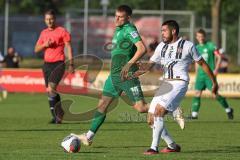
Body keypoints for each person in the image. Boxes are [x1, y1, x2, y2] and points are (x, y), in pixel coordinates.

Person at [69, 5, 184, 146]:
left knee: (141, 108)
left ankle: (171, 109)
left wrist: (129, 64)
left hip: (127, 75)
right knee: (102, 105)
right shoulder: (119, 29)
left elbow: (142, 49)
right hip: (114, 76)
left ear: (128, 18)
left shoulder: (129, 29)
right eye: (115, 15)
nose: (116, 18)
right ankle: (89, 136)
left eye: (120, 17)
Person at [131, 20, 218, 154]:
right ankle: (172, 145)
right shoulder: (161, 46)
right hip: (165, 84)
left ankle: (153, 148)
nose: (162, 33)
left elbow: (203, 64)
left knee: (159, 111)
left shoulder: (188, 45)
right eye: (161, 31)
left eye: (164, 31)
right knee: (151, 120)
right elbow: (149, 65)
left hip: (179, 83)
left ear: (173, 31)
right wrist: (133, 73)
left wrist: (214, 82)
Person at [34, 9, 74, 124]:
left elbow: (68, 47)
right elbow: (36, 49)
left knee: (51, 89)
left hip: (59, 63)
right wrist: (44, 45)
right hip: (46, 65)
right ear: (44, 20)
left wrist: (71, 63)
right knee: (50, 91)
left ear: (55, 19)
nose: (49, 21)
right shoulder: (44, 33)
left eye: (51, 19)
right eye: (47, 19)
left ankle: (56, 117)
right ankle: (59, 113)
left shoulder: (62, 31)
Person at [190, 29, 233, 119]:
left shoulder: (210, 46)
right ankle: (194, 115)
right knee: (197, 93)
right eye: (198, 36)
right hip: (200, 76)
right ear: (196, 37)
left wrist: (216, 69)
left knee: (214, 94)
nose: (200, 38)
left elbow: (219, 56)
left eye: (202, 36)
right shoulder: (196, 48)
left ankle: (228, 109)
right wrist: (196, 72)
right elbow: (196, 62)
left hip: (209, 75)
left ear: (205, 36)